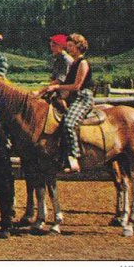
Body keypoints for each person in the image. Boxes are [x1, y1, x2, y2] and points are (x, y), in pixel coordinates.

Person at [38, 33, 93, 173]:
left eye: (71, 46)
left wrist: (57, 87)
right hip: (73, 98)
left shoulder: (82, 63)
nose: (68, 48)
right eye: (67, 46)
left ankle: (74, 157)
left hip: (83, 97)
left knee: (69, 122)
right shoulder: (74, 63)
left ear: (79, 47)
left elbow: (77, 86)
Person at [33, 34, 74, 110]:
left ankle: (66, 116)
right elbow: (53, 78)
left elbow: (59, 80)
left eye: (53, 46)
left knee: (57, 101)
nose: (51, 49)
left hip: (68, 90)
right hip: (58, 88)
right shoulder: (57, 59)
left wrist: (40, 92)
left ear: (61, 47)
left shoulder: (66, 60)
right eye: (51, 46)